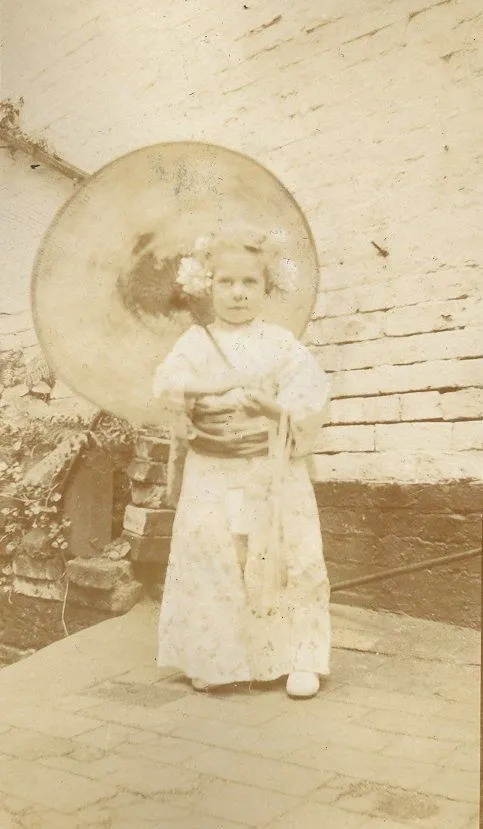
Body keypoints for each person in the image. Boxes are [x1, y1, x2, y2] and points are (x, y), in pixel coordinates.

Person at [152, 228, 331, 698]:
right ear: (205, 287)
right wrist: (202, 393)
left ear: (266, 288)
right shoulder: (195, 342)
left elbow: (310, 395)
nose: (237, 293)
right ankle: (219, 657)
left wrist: (273, 410)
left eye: (250, 283)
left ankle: (299, 657)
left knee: (285, 553)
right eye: (225, 282)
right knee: (217, 553)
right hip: (214, 465)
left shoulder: (281, 344)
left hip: (269, 464)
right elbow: (167, 385)